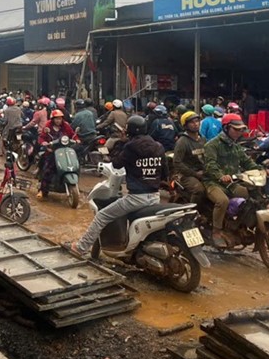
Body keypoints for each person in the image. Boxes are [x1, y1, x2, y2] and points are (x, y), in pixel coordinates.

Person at [68, 115, 166, 257]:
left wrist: (122, 143)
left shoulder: (131, 146)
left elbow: (116, 164)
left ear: (129, 131)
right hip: (155, 197)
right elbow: (164, 173)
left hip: (136, 198)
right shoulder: (159, 146)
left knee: (102, 216)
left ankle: (81, 247)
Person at [202, 113, 260, 247]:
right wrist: (221, 175)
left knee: (249, 195)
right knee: (222, 201)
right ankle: (216, 232)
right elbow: (210, 165)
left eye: (241, 129)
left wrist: (261, 169)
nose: (239, 132)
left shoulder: (236, 146)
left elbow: (246, 161)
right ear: (226, 128)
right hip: (213, 182)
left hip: (231, 183)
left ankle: (237, 225)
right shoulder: (212, 145)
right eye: (236, 129)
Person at [173, 111, 209, 216]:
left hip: (203, 172)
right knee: (199, 190)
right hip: (187, 175)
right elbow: (177, 163)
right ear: (185, 125)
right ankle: (193, 214)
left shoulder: (202, 139)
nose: (196, 124)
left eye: (197, 121)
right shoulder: (182, 142)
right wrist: (195, 174)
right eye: (192, 122)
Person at [37, 110, 78, 200]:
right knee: (47, 169)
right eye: (56, 119)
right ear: (52, 119)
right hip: (52, 151)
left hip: (64, 150)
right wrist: (44, 142)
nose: (58, 121)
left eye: (59, 118)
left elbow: (72, 134)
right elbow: (42, 137)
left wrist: (76, 139)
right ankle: (42, 190)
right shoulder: (48, 126)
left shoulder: (66, 125)